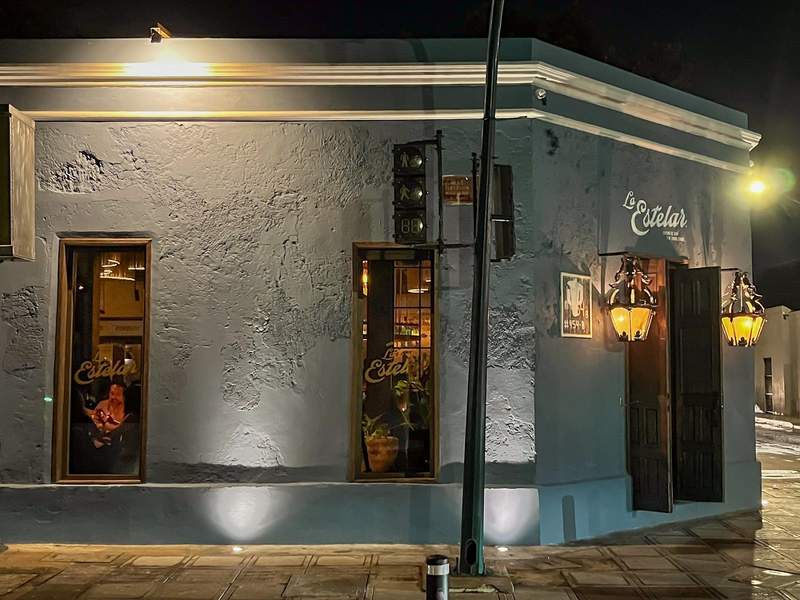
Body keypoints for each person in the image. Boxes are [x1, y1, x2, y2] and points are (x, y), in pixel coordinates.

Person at [83, 382, 131, 448]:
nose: (114, 397)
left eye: (118, 394)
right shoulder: (102, 404)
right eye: (112, 393)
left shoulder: (128, 411)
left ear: (124, 397)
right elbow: (93, 424)